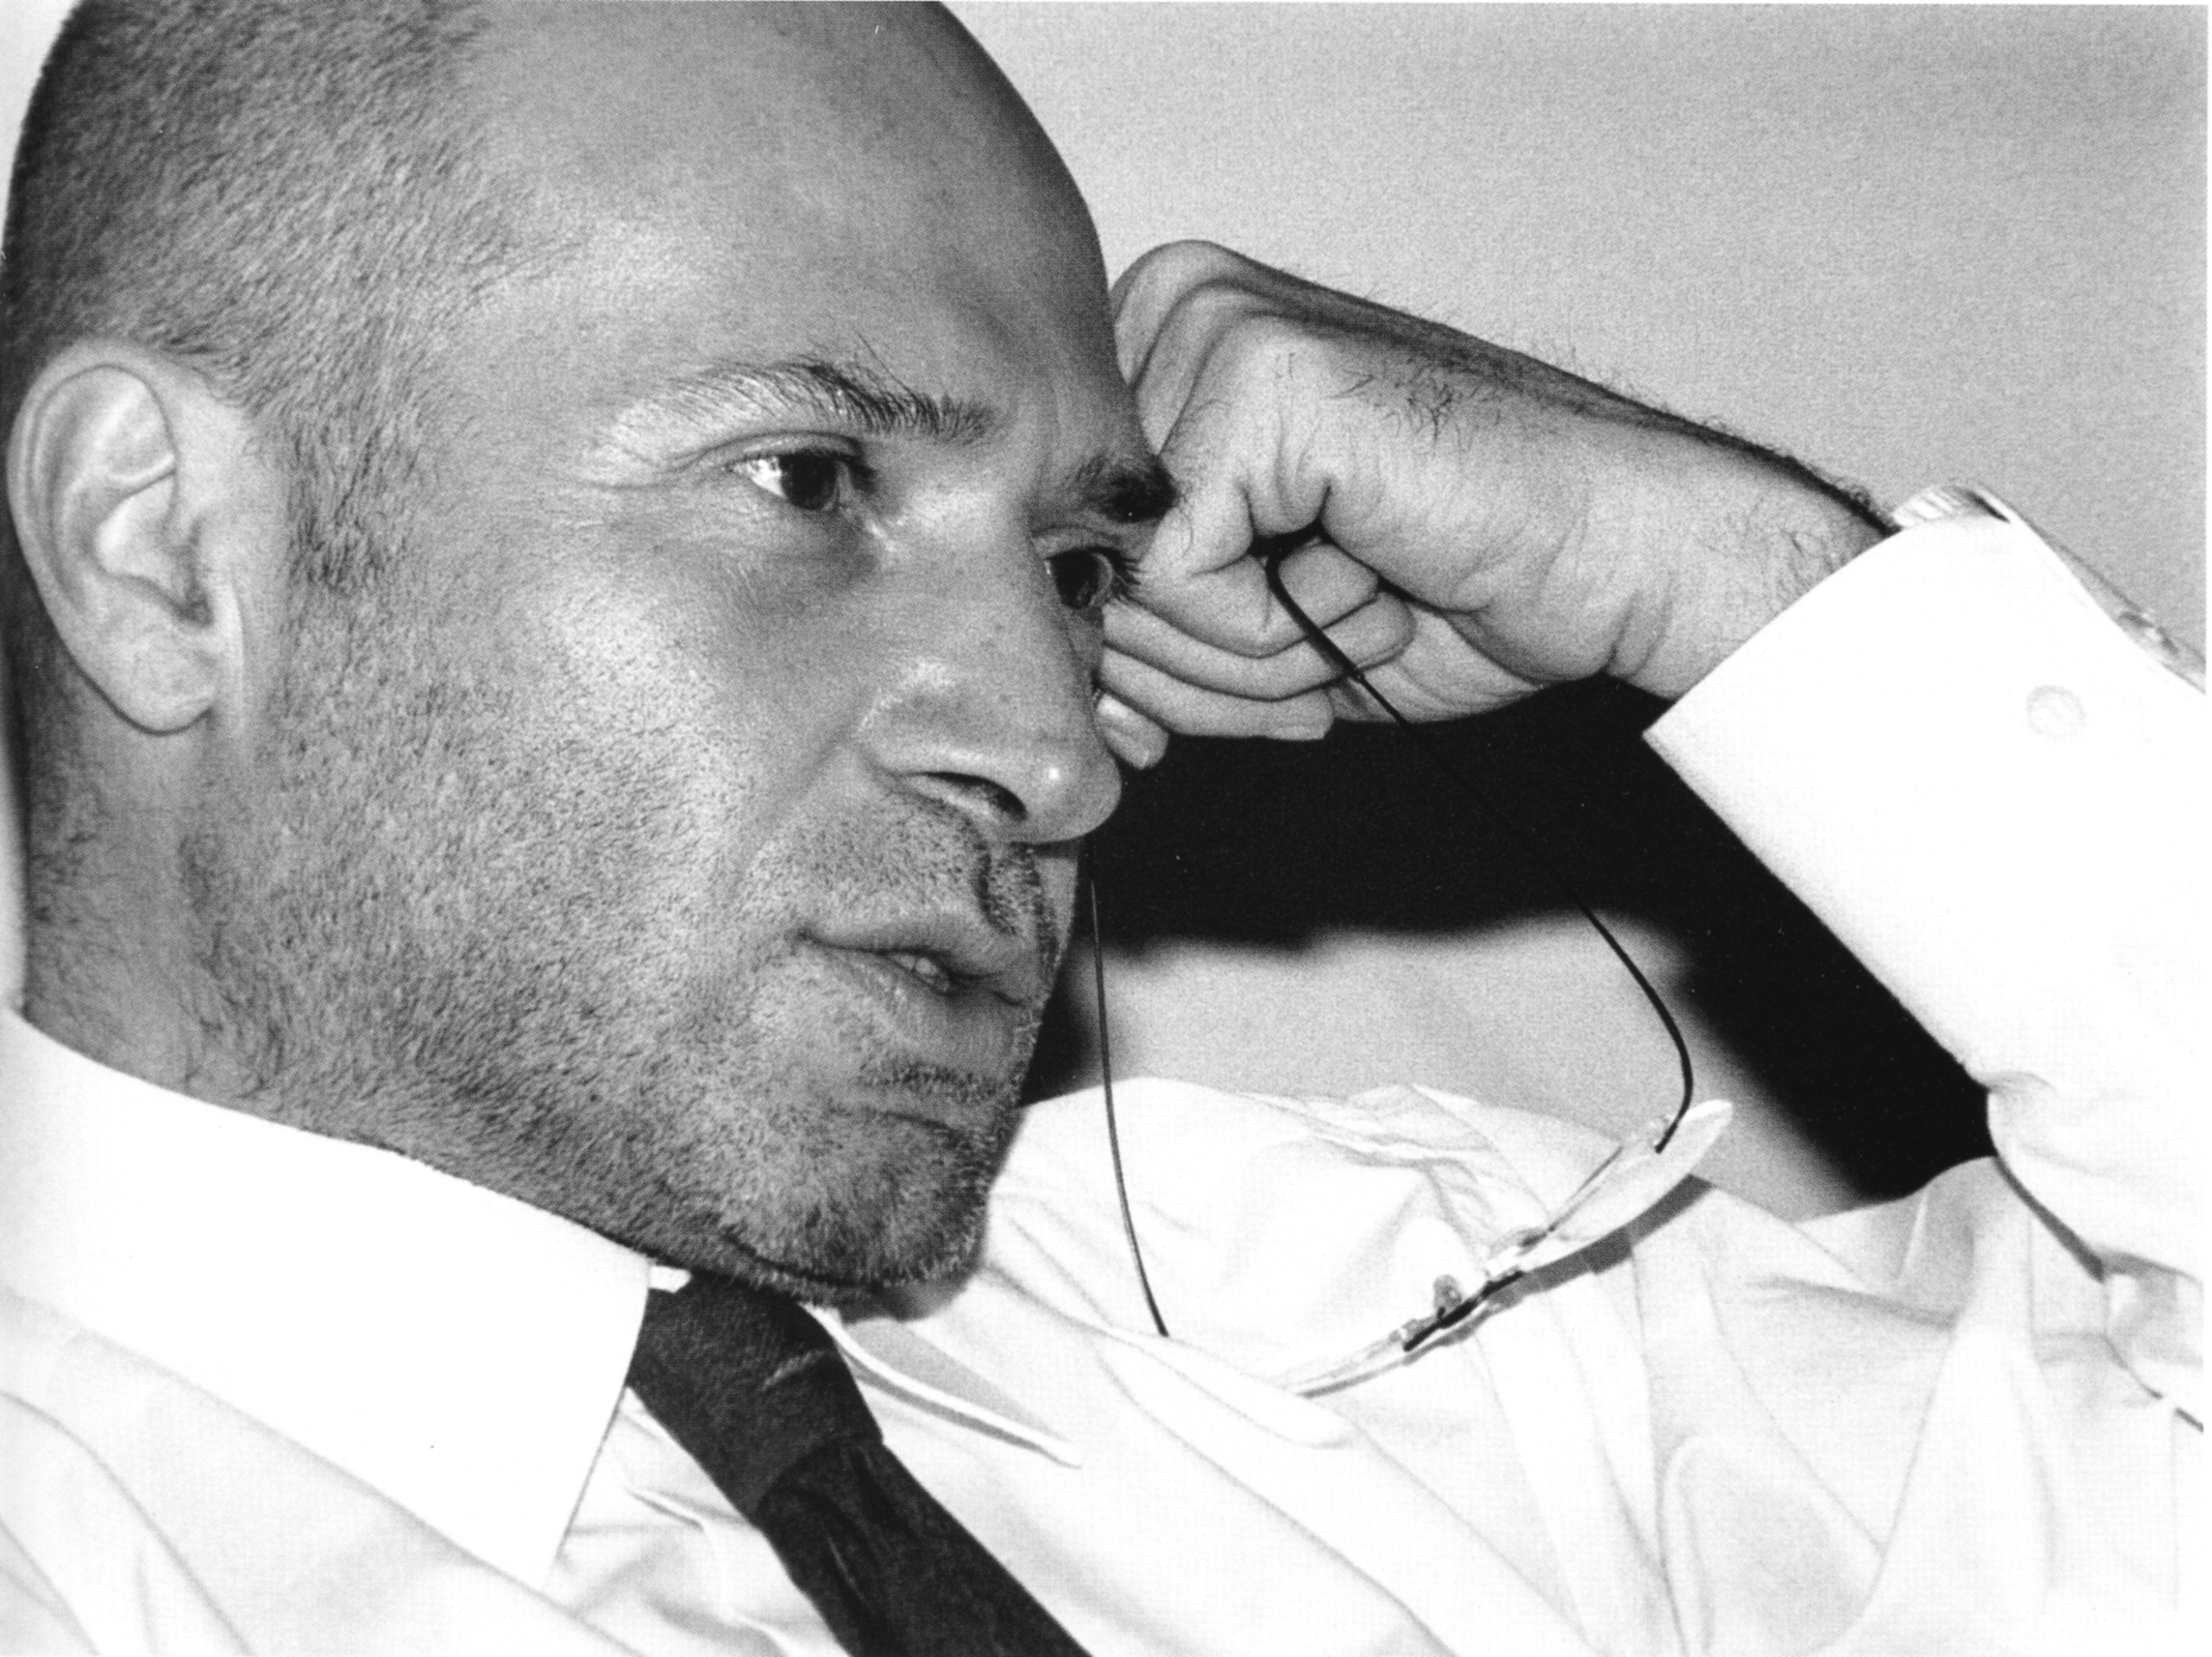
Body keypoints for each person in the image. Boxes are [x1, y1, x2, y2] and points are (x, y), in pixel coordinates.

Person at [0, 3, 2196, 1654]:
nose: (1064, 762)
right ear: (163, 549)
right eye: (809, 482)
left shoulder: (1356, 1327)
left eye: (1072, 567)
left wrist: (1728, 579)